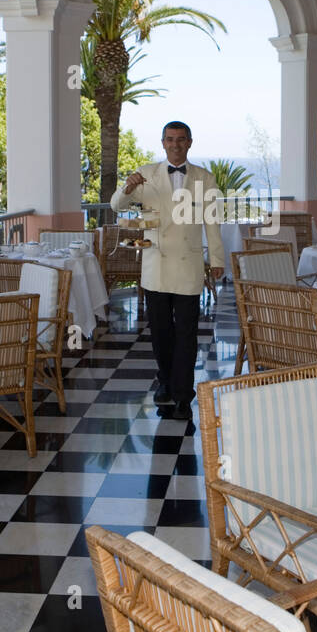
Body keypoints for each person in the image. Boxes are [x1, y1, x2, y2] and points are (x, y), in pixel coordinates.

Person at [111, 121, 225, 418]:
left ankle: (183, 392)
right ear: (163, 143)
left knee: (186, 333)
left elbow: (212, 222)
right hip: (156, 264)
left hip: (188, 265)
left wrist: (217, 259)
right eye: (170, 139)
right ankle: (164, 381)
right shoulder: (146, 174)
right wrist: (128, 187)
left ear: (190, 142)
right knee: (161, 332)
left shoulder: (204, 178)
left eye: (181, 139)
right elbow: (116, 205)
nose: (175, 144)